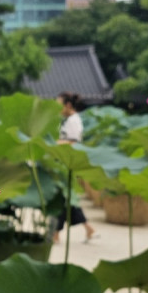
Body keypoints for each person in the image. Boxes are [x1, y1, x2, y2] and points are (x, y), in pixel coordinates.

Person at [53, 91, 95, 243]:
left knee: (64, 198)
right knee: (67, 199)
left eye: (59, 104)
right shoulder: (67, 120)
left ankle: (55, 233)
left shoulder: (74, 120)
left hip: (69, 163)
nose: (57, 108)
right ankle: (87, 227)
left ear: (68, 105)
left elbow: (74, 142)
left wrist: (52, 144)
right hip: (62, 163)